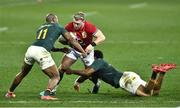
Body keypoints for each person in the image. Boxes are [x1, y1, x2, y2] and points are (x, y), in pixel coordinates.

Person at [5, 13, 86, 100]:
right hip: (41, 52)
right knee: (56, 76)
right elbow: (71, 40)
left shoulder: (40, 28)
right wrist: (82, 51)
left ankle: (10, 92)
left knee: (23, 72)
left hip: (31, 49)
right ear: (54, 20)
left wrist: (60, 49)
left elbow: (45, 44)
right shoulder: (58, 27)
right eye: (56, 19)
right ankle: (46, 94)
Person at [64, 50, 176, 96]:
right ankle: (162, 73)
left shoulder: (98, 62)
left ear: (95, 57)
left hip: (125, 81)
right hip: (129, 77)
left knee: (147, 94)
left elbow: (87, 73)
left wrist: (71, 71)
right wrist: (77, 82)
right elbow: (86, 75)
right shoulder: (96, 68)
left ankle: (155, 72)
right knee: (155, 92)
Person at [49, 11, 106, 94]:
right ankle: (53, 89)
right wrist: (65, 42)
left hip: (86, 52)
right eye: (74, 23)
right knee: (62, 68)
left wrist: (92, 45)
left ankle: (96, 83)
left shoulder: (89, 26)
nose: (75, 25)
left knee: (89, 73)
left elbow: (102, 37)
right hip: (74, 50)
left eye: (78, 24)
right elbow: (61, 38)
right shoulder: (69, 26)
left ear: (83, 22)